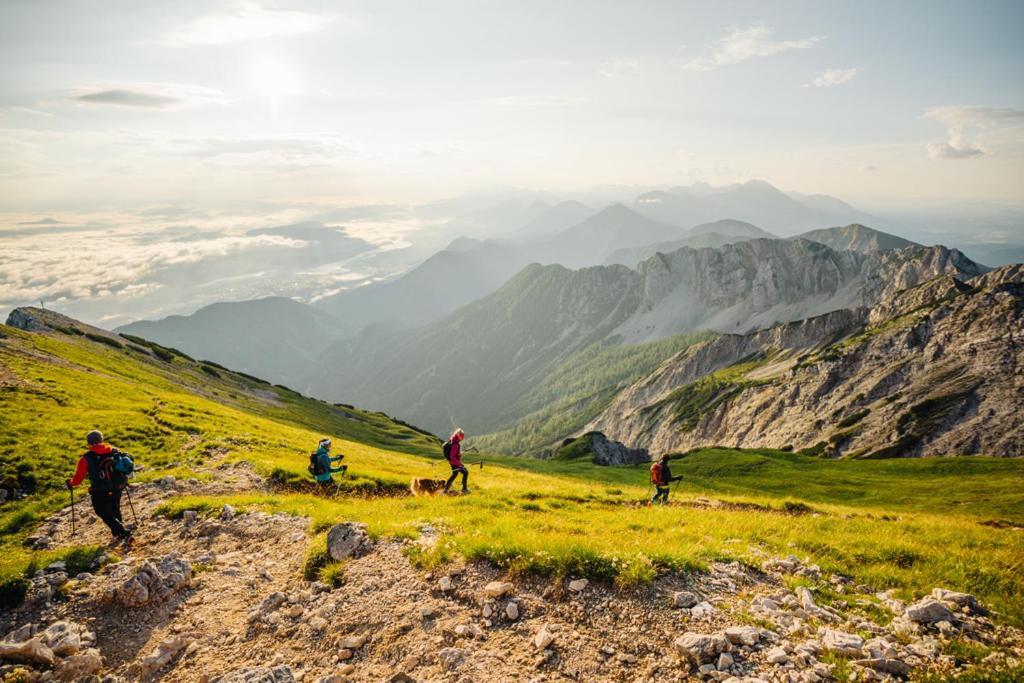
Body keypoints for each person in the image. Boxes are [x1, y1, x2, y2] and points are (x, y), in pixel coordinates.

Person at [66, 430, 134, 540]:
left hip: (100, 491)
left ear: (88, 443)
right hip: (118, 486)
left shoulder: (86, 458)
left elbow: (78, 480)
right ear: (101, 440)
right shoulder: (114, 450)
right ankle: (118, 534)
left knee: (101, 511)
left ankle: (122, 532)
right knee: (114, 508)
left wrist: (70, 482)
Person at [443, 428, 469, 494]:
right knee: (465, 472)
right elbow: (452, 456)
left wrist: (458, 454)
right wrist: (459, 464)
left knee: (455, 474)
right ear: (458, 435)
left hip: (454, 462)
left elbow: (453, 454)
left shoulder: (453, 440)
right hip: (455, 463)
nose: (463, 438)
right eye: (462, 436)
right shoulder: (455, 444)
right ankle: (464, 489)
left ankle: (446, 489)